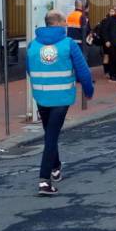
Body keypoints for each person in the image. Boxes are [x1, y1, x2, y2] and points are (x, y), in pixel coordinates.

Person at [28, 10, 94, 196]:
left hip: (41, 96)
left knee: (50, 133)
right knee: (51, 137)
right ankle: (44, 181)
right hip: (61, 97)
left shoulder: (33, 45)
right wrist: (88, 91)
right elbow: (83, 70)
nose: (66, 24)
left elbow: (29, 69)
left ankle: (56, 167)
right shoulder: (68, 44)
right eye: (64, 21)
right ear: (56, 23)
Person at [95, 7, 116, 79]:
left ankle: (111, 71)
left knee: (111, 56)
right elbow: (104, 31)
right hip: (107, 42)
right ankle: (107, 72)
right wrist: (106, 40)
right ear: (109, 12)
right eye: (111, 11)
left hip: (113, 41)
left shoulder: (115, 20)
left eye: (114, 11)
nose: (113, 12)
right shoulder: (106, 20)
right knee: (107, 56)